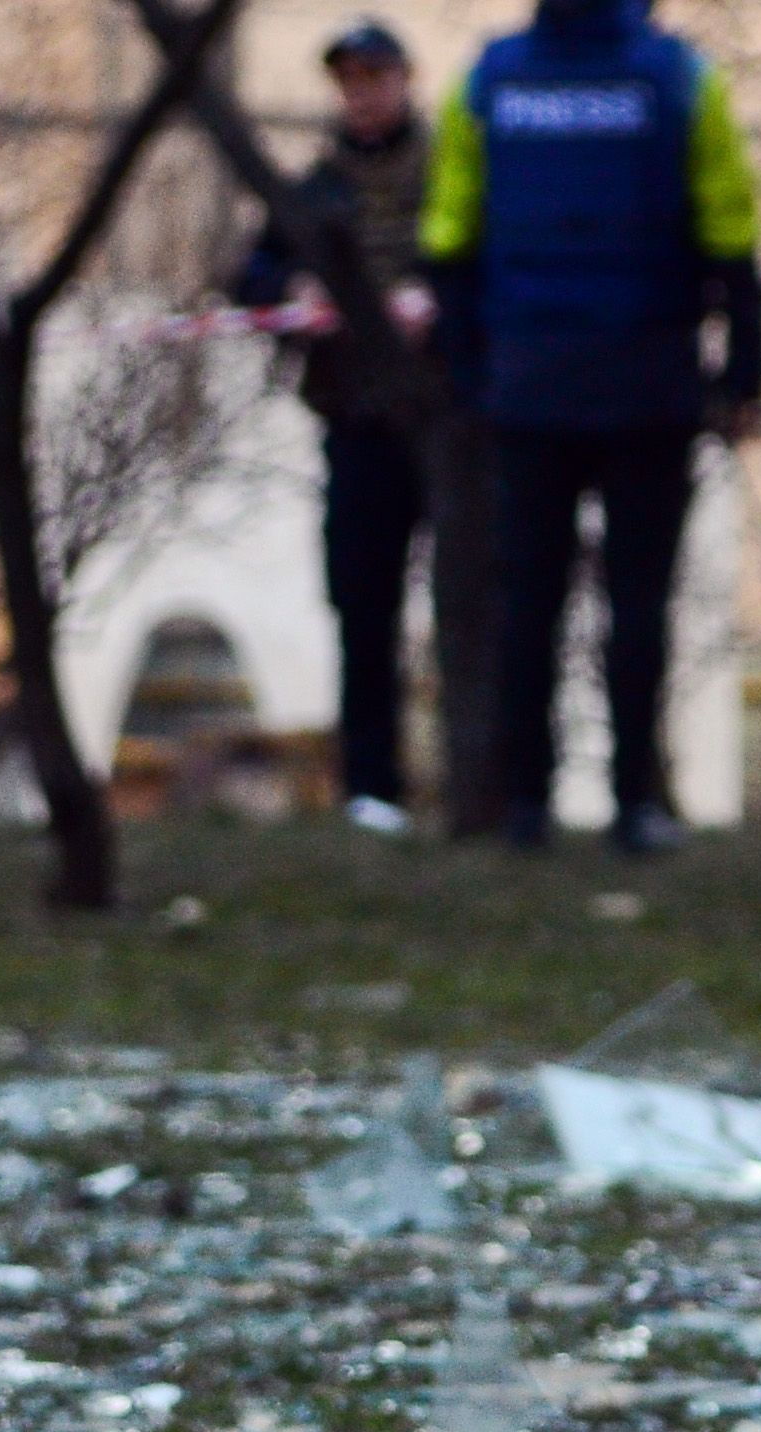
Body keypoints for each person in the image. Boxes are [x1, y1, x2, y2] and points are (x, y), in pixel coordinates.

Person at [418, 0, 761, 856]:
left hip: (527, 384)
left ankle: (525, 807)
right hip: (651, 382)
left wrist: (471, 375)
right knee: (639, 602)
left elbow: (450, 236)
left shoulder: (489, 80)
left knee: (526, 598)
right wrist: (745, 373)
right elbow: (732, 230)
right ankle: (633, 808)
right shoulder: (682, 80)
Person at [232, 20, 435, 837]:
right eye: (349, 80)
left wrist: (440, 300)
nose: (363, 94)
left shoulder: (453, 174)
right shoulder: (312, 190)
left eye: (375, 77)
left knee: (481, 601)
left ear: (404, 80)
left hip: (451, 421)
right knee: (363, 603)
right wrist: (296, 292)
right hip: (356, 420)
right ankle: (372, 786)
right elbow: (249, 280)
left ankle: (498, 783)